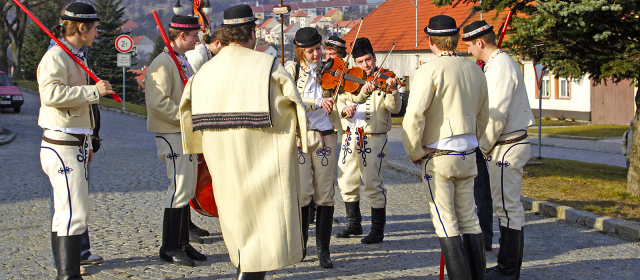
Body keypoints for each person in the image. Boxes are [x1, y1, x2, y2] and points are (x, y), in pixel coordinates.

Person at [179, 4, 306, 279]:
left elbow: (186, 111)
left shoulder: (204, 73)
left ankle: (243, 269)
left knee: (237, 223)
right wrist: (303, 138)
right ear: (253, 32)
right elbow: (294, 107)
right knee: (263, 229)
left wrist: (196, 146)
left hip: (221, 159)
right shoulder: (268, 65)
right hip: (263, 158)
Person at [402, 15, 489, 280]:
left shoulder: (428, 70)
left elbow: (414, 115)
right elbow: (484, 114)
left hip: (439, 155)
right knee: (469, 219)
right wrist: (473, 139)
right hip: (468, 152)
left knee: (445, 220)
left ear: (430, 40)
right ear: (455, 38)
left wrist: (414, 151)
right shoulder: (475, 68)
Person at [38, 2, 114, 279]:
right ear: (82, 27)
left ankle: (68, 273)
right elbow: (51, 95)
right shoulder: (57, 55)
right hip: (61, 144)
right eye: (95, 28)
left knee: (68, 213)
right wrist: (92, 91)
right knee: (73, 214)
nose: (96, 33)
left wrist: (87, 139)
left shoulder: (74, 55)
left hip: (74, 142)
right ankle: (68, 275)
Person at [463, 20, 536, 279]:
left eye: (470, 46)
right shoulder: (496, 64)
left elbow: (496, 115)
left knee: (508, 208)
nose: (469, 51)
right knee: (505, 208)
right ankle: (506, 265)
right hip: (502, 145)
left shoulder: (500, 66)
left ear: (480, 43)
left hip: (506, 145)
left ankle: (509, 269)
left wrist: (481, 148)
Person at [145, 15, 206, 267]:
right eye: (194, 35)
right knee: (179, 189)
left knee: (187, 189)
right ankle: (169, 246)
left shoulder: (181, 60)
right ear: (182, 36)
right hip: (172, 133)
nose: (198, 39)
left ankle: (182, 243)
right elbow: (159, 103)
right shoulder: (162, 62)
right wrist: (187, 119)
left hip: (185, 133)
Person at [335, 37, 402, 245]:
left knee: (373, 183)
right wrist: (343, 109)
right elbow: (340, 101)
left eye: (369, 60)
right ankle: (354, 224)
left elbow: (395, 109)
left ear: (375, 58)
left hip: (373, 136)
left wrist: (391, 90)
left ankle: (377, 230)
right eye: (362, 61)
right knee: (346, 180)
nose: (367, 65)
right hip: (350, 135)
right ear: (355, 63)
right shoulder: (349, 79)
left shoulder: (386, 78)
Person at [285, 27, 342, 269]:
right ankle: (301, 244)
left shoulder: (330, 69)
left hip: (326, 135)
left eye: (319, 49)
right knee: (303, 193)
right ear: (300, 52)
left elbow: (352, 95)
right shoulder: (291, 70)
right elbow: (288, 99)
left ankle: (323, 250)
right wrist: (317, 101)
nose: (317, 54)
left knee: (325, 193)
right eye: (311, 51)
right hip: (300, 136)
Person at [184, 27, 224, 245]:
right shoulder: (198, 57)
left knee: (188, 174)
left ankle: (188, 223)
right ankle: (184, 228)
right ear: (217, 44)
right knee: (184, 178)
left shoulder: (207, 56)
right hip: (193, 121)